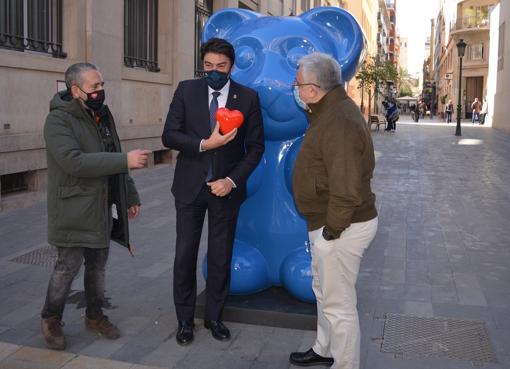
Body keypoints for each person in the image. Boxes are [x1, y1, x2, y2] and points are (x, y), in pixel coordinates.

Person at [162, 38, 264, 345]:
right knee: (184, 255)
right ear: (202, 65)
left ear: (231, 66)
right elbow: (169, 135)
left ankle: (215, 317)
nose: (214, 72)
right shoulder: (185, 90)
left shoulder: (247, 98)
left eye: (220, 66)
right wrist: (205, 144)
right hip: (189, 188)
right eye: (208, 66)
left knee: (221, 256)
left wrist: (231, 181)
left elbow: (256, 148)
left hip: (225, 190)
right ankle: (184, 319)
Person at [41, 63, 150, 350]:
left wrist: (130, 195)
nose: (100, 92)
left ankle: (94, 315)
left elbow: (112, 151)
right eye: (94, 87)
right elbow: (73, 162)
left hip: (102, 206)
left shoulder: (102, 115)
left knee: (98, 266)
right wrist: (125, 161)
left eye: (101, 85)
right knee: (67, 267)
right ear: (75, 90)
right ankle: (51, 319)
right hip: (74, 209)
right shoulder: (58, 121)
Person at [289, 52, 378, 369]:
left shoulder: (338, 119)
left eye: (297, 84)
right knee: (324, 293)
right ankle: (323, 350)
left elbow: (346, 187)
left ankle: (345, 364)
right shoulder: (328, 111)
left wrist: (331, 233)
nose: (296, 90)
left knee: (339, 304)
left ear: (312, 89)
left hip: (341, 225)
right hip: (330, 222)